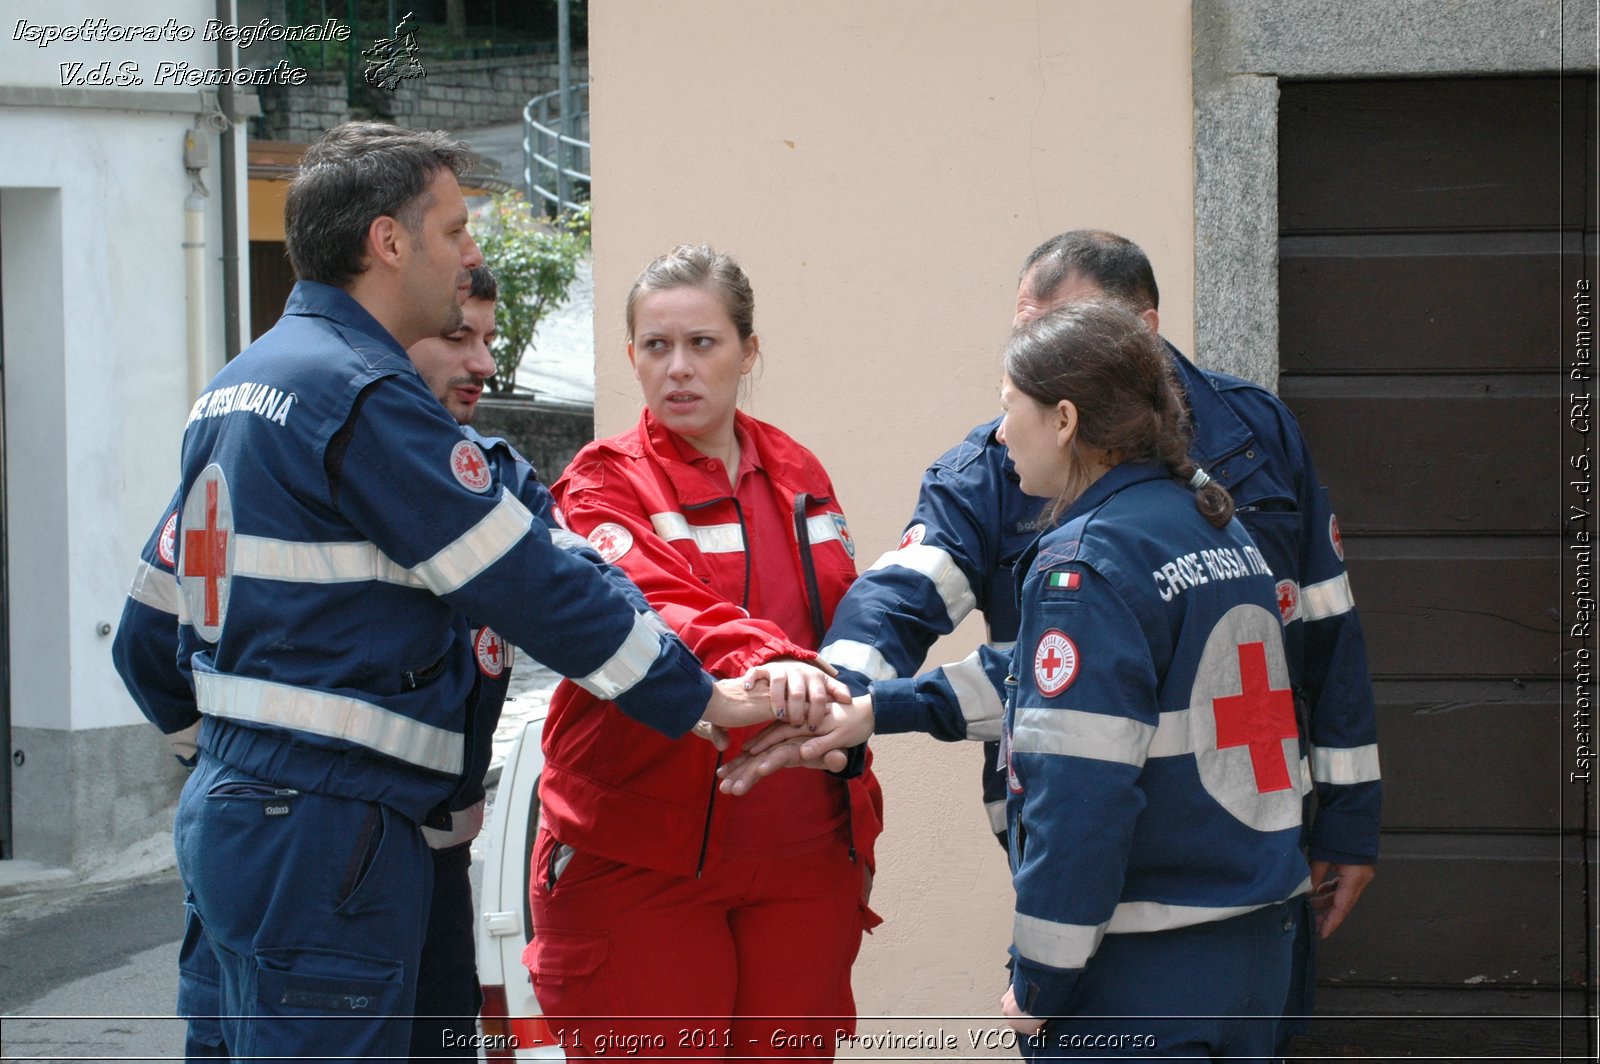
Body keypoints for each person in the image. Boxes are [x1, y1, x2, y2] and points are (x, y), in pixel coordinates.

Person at [112, 124, 784, 1063]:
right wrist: (696, 695)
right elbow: (532, 581)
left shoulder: (241, 385)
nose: (472, 252)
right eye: (456, 228)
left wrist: (234, 752)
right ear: (389, 243)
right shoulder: (361, 395)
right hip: (328, 829)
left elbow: (148, 634)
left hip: (264, 820)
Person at [793, 230, 1379, 1047]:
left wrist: (1041, 981)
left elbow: (1084, 791)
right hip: (1258, 929)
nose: (998, 435)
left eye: (1013, 404)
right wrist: (861, 700)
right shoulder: (1214, 519)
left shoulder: (1087, 559)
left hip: (1139, 952)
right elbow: (1048, 666)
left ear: (1067, 415)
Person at [524, 244, 883, 1061]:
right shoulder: (601, 481)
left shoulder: (798, 471)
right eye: (657, 347)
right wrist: (778, 661)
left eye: (703, 344)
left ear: (748, 352)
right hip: (641, 853)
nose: (678, 368)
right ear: (631, 359)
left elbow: (851, 615)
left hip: (801, 851)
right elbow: (660, 603)